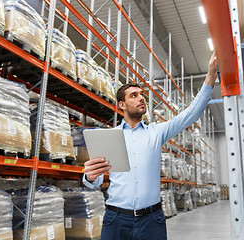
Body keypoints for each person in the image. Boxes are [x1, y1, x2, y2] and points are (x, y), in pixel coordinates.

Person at [83, 52, 218, 240]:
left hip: (151, 220)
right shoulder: (110, 137)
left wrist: (211, 74)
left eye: (142, 95)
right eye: (134, 95)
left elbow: (191, 115)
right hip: (116, 219)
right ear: (122, 104)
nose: (141, 98)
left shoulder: (156, 132)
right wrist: (89, 177)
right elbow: (96, 179)